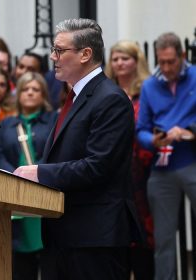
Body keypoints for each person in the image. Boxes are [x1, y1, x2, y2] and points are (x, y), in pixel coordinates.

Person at [13, 18, 140, 280]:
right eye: (53, 49)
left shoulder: (110, 99)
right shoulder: (74, 97)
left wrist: (39, 173)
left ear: (85, 54)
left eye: (60, 50)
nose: (53, 56)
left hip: (94, 237)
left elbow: (98, 166)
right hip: (64, 233)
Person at [136, 32, 196, 280]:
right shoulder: (150, 85)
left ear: (182, 56)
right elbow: (140, 130)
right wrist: (153, 140)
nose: (167, 67)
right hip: (162, 165)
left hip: (191, 159)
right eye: (162, 62)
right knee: (163, 239)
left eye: (171, 61)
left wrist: (190, 131)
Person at [0, 72, 57, 280]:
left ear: (43, 95)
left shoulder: (54, 121)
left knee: (49, 257)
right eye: (25, 89)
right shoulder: (6, 125)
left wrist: (39, 173)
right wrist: (16, 176)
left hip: (45, 194)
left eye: (35, 90)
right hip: (15, 196)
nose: (30, 93)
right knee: (21, 263)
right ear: (18, 95)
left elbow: (59, 151)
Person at [105, 40, 154, 280]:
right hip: (111, 171)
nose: (120, 63)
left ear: (137, 61)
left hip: (140, 171)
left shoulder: (147, 91)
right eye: (115, 59)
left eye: (125, 58)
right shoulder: (104, 91)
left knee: (144, 235)